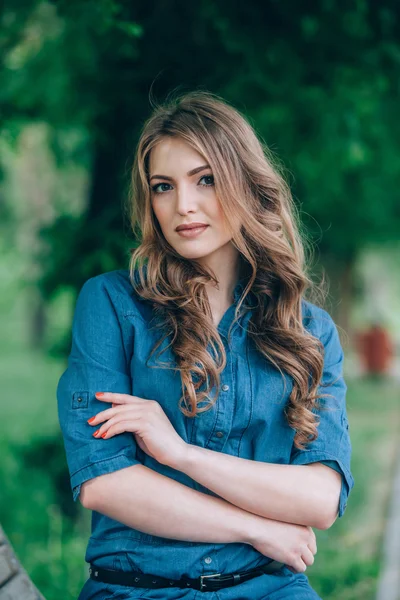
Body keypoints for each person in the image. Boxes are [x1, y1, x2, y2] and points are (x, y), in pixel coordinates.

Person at [57, 90, 354, 600]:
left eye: (206, 179)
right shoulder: (111, 304)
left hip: (270, 588)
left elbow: (320, 499)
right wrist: (257, 527)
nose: (183, 206)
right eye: (163, 187)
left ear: (245, 182)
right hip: (138, 589)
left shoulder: (308, 331)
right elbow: (105, 483)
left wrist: (179, 454)